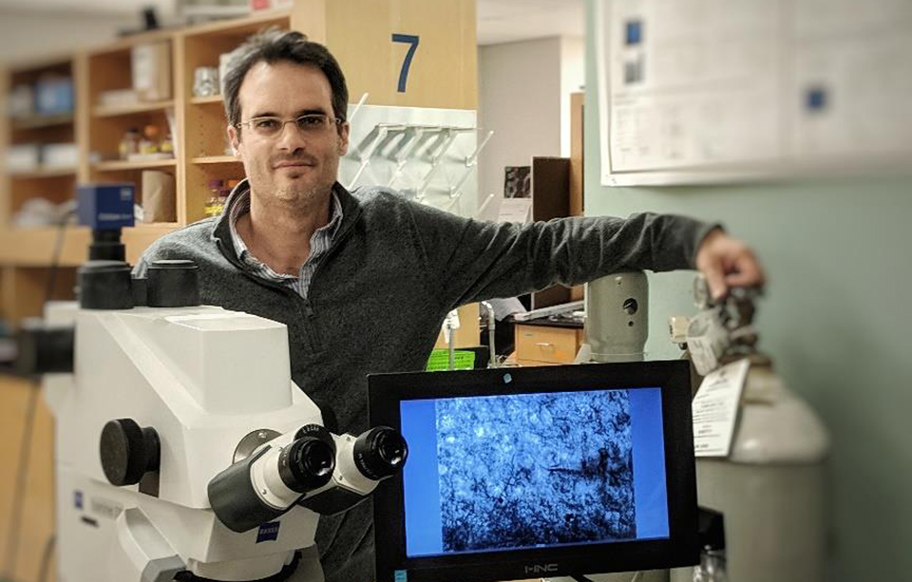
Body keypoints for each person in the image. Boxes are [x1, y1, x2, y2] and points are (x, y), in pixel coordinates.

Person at [135, 29, 764, 582]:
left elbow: (545, 247)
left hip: (372, 566)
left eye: (311, 119)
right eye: (267, 123)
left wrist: (692, 239)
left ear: (342, 132)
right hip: (223, 565)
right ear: (235, 137)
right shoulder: (175, 270)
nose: (290, 140)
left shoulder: (405, 239)